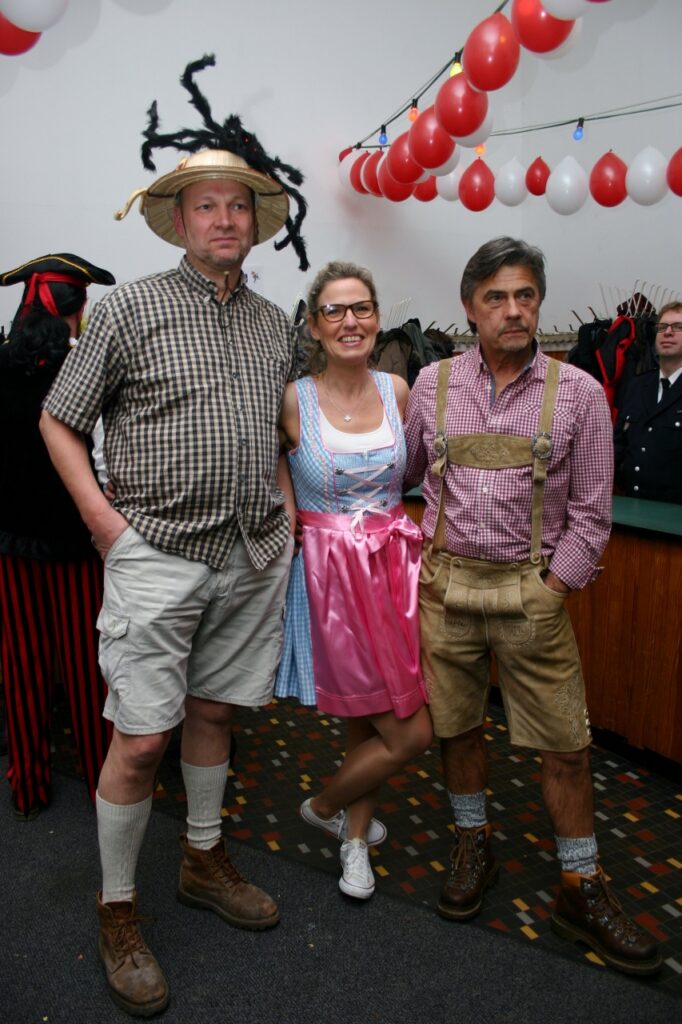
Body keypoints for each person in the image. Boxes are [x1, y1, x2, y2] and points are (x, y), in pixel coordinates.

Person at [39, 56, 308, 1018]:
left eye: (238, 206)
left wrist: (283, 518)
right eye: (207, 206)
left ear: (253, 223)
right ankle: (117, 908)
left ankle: (200, 858)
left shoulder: (277, 325)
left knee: (214, 714)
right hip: (152, 551)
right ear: (181, 221)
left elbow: (278, 429)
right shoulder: (127, 308)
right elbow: (58, 420)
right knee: (141, 737)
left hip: (250, 553)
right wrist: (104, 525)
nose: (224, 219)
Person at [404, 237, 662, 976]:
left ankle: (581, 885)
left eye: (525, 296)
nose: (513, 310)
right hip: (446, 590)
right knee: (458, 729)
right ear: (469, 308)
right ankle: (473, 844)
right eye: (496, 297)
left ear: (539, 303)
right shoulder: (431, 384)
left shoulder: (577, 391)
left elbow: (593, 514)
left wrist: (553, 592)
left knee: (567, 747)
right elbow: (408, 472)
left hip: (532, 593)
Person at [275, 261, 432, 900]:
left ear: (376, 316)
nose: (350, 321)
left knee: (371, 722)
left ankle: (351, 837)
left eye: (361, 308)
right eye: (334, 311)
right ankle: (325, 807)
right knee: (409, 730)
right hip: (331, 578)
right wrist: (289, 506)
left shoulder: (399, 390)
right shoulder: (293, 399)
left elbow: (417, 471)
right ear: (314, 326)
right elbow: (270, 461)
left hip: (395, 569)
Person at [0, 253, 115, 820]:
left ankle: (28, 784)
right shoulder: (80, 367)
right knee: (87, 667)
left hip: (11, 542)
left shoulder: (1, 363)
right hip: (73, 542)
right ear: (76, 308)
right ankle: (102, 783)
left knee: (21, 665)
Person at [614, 301, 682, 504]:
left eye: (678, 327)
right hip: (633, 507)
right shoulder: (637, 385)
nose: (667, 332)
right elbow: (617, 444)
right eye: (662, 327)